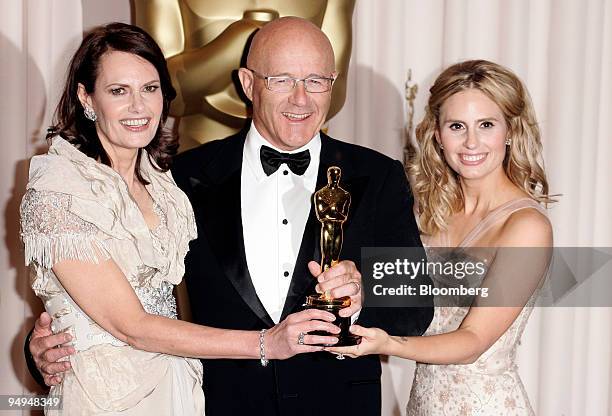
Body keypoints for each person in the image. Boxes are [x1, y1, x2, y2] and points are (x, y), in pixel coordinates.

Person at [27, 17, 433, 415]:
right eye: (282, 79)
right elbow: (120, 293)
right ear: (248, 83)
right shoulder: (181, 178)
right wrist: (44, 346)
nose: (301, 98)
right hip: (217, 403)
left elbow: (416, 309)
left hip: (338, 403)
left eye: (316, 80)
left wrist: (361, 300)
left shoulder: (377, 176)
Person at [329, 60, 555, 415]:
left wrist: (388, 343)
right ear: (437, 132)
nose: (471, 142)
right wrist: (354, 288)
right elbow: (403, 304)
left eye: (486, 125)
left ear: (510, 130)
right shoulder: (433, 212)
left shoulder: (526, 226)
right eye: (456, 126)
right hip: (422, 404)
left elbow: (473, 341)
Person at [133, 0, 356, 149]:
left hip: (307, 155)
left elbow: (334, 89)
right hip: (202, 154)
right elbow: (160, 95)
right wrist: (240, 42)